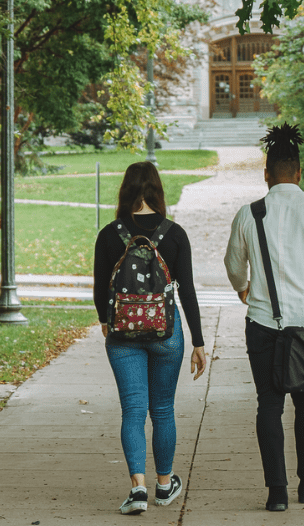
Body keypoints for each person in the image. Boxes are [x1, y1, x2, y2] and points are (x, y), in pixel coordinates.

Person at [223, 123, 304, 511]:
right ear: (298, 172)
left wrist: (244, 290)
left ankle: (277, 493)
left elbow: (232, 264)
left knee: (268, 406)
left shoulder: (249, 214)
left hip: (262, 326)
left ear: (266, 174)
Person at [94, 161, 207, 515]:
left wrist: (105, 321)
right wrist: (199, 343)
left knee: (132, 410)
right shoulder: (174, 234)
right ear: (157, 190)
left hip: (122, 334)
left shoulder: (110, 234)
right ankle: (164, 484)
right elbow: (187, 292)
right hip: (166, 333)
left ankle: (137, 489)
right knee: (162, 410)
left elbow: (99, 289)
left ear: (125, 190)